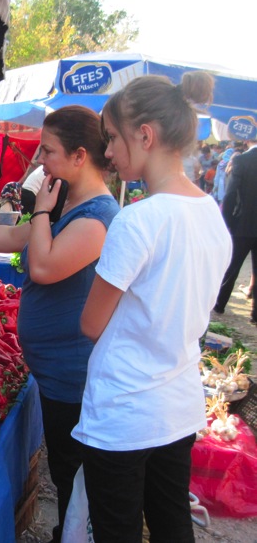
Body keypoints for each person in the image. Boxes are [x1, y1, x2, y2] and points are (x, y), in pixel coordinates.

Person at [0, 106, 119, 543]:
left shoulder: (98, 217)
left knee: (74, 473)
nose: (39, 162)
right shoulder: (71, 203)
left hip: (74, 375)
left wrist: (43, 211)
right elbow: (18, 238)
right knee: (67, 470)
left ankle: (73, 536)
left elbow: (46, 267)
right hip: (54, 374)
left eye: (47, 152)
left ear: (79, 156)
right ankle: (66, 532)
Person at [73, 72, 231, 543]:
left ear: (146, 135)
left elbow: (90, 323)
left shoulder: (138, 220)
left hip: (124, 410)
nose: (108, 154)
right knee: (170, 523)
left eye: (113, 138)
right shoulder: (212, 216)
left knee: (117, 530)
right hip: (177, 406)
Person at [213, 138, 257, 322]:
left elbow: (230, 194)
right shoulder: (242, 160)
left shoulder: (243, 160)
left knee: (231, 266)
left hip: (242, 224)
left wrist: (227, 224)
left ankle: (220, 304)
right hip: (244, 223)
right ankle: (255, 315)